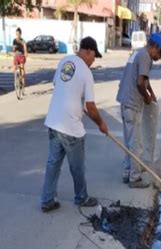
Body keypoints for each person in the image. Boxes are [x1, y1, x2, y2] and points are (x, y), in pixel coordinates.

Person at [40, 37, 108, 212]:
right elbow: (90, 106)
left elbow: (59, 85)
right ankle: (81, 197)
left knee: (53, 163)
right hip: (70, 127)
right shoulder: (86, 72)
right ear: (87, 51)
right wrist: (101, 123)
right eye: (94, 56)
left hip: (54, 121)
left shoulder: (65, 61)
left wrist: (78, 103)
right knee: (77, 165)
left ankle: (47, 199)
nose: (93, 61)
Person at [116, 33, 161, 188]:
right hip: (132, 104)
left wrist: (151, 92)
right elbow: (140, 83)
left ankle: (127, 173)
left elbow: (144, 78)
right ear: (155, 47)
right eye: (159, 53)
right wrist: (146, 97)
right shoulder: (146, 57)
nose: (159, 57)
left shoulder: (138, 53)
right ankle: (134, 178)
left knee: (129, 142)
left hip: (125, 101)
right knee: (136, 144)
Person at [12, 28, 27, 93]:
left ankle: (22, 81)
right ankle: (16, 79)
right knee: (14, 68)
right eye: (16, 34)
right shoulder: (14, 40)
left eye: (18, 34)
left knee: (22, 67)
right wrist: (13, 49)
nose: (17, 35)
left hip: (21, 56)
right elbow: (13, 49)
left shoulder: (23, 41)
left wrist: (26, 52)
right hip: (16, 56)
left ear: (20, 34)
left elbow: (25, 47)